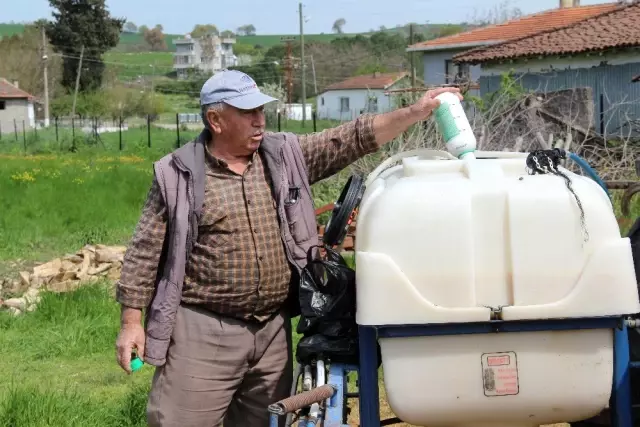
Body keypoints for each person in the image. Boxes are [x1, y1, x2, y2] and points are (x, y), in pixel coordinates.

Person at [114, 69, 462, 427]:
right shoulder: (177, 174)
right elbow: (145, 249)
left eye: (261, 110)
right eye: (247, 112)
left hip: (272, 332)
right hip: (203, 332)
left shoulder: (283, 155)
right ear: (215, 119)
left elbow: (350, 138)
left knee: (267, 422)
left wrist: (414, 112)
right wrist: (131, 323)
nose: (259, 120)